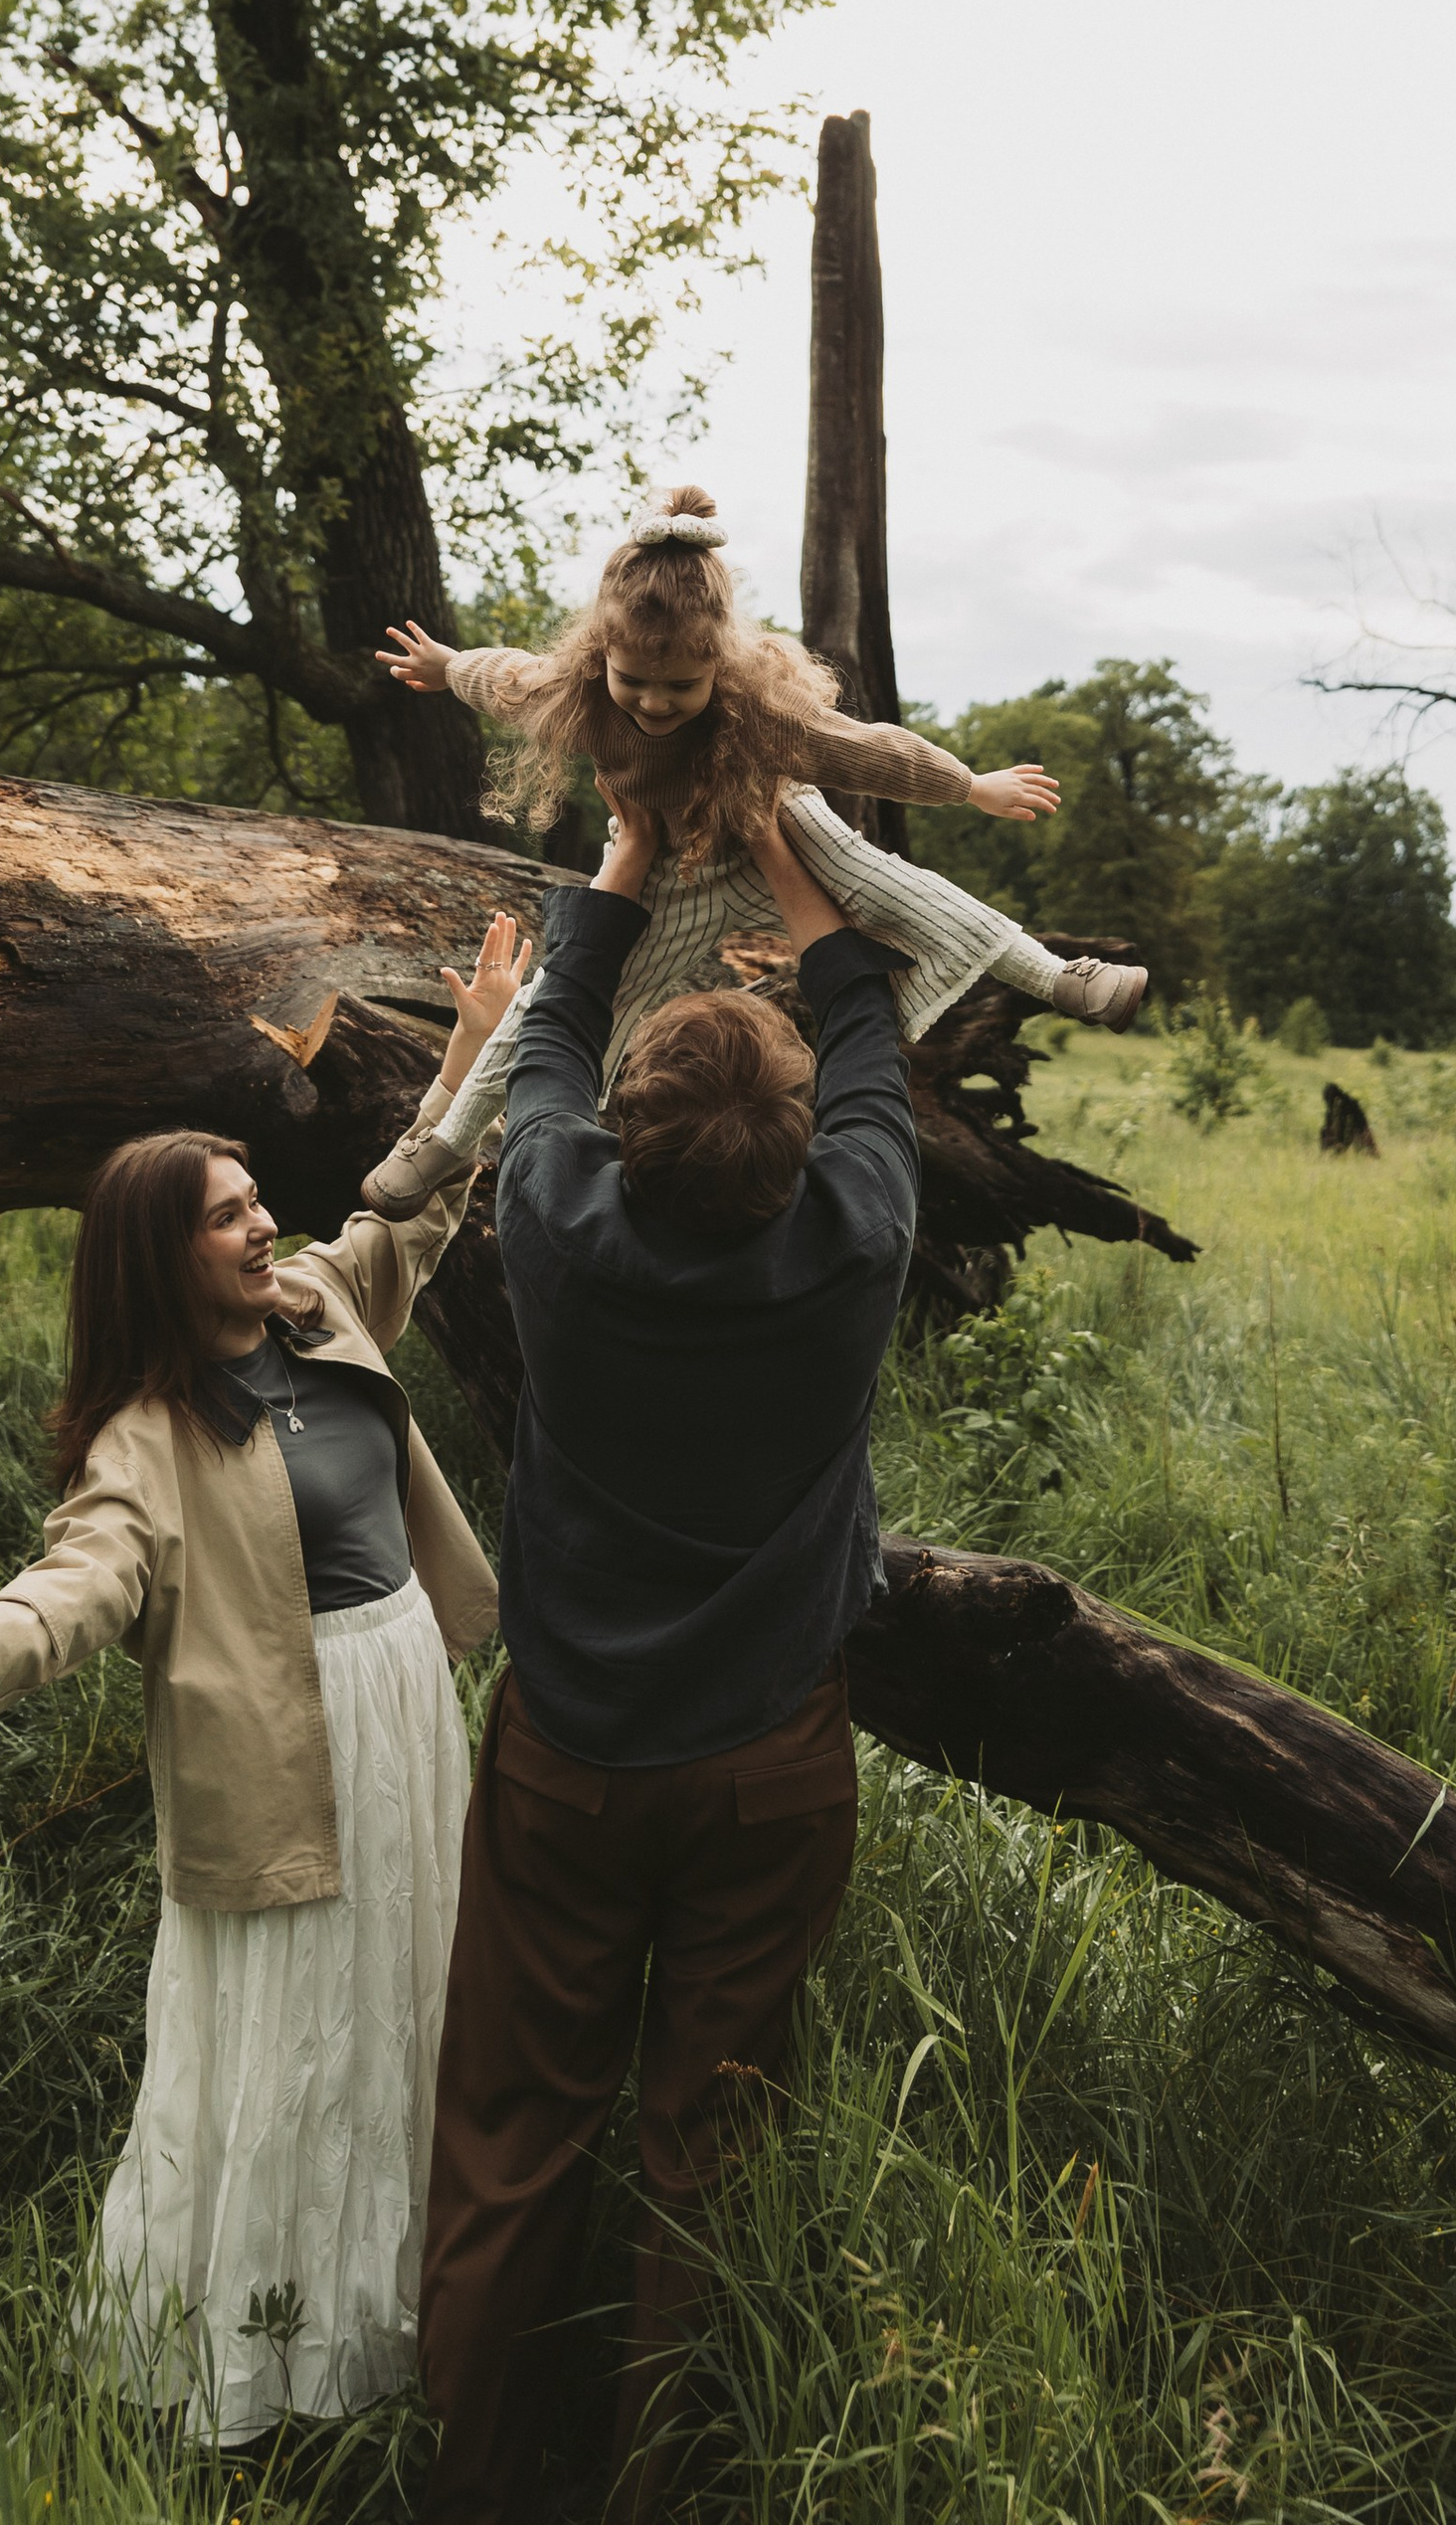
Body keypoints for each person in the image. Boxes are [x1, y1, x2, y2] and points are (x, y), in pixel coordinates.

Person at [0, 920, 531, 2447]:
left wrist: (479, 1047)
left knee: (413, 2013)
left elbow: (419, 1191)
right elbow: (76, 1589)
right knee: (293, 2049)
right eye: (227, 1219)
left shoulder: (325, 1306)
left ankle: (403, 2321)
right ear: (157, 1258)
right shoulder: (143, 1439)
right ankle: (261, 2353)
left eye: (259, 1204)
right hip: (279, 1754)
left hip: (402, 1710)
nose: (262, 1230)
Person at [415, 802, 918, 2524]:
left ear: (628, 1138)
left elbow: (550, 1032)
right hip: (773, 1761)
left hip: (569, 1756)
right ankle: (658, 2493)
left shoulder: (554, 1217)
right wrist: (790, 855)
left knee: (506, 2134)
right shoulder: (858, 1231)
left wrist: (624, 864)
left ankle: (479, 2485)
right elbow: (866, 1031)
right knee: (707, 2151)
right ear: (799, 1142)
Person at [359, 483, 1145, 1216]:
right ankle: (445, 1142)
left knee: (902, 891)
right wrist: (446, 666)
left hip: (779, 827)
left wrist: (971, 784)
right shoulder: (574, 692)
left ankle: (1062, 980)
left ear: (718, 666)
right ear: (600, 651)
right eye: (634, 680)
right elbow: (503, 676)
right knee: (561, 1001)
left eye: (681, 687)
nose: (655, 703)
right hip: (670, 869)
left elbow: (868, 750)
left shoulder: (761, 712)